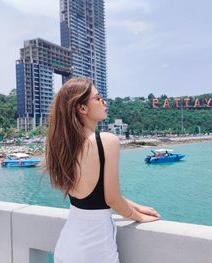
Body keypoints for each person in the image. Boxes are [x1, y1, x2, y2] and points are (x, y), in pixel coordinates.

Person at [45, 77, 160, 263]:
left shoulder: (66, 146)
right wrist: (138, 216)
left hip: (67, 246)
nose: (104, 102)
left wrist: (134, 205)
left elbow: (97, 194)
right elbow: (111, 199)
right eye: (98, 98)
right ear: (82, 108)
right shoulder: (106, 141)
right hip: (95, 248)